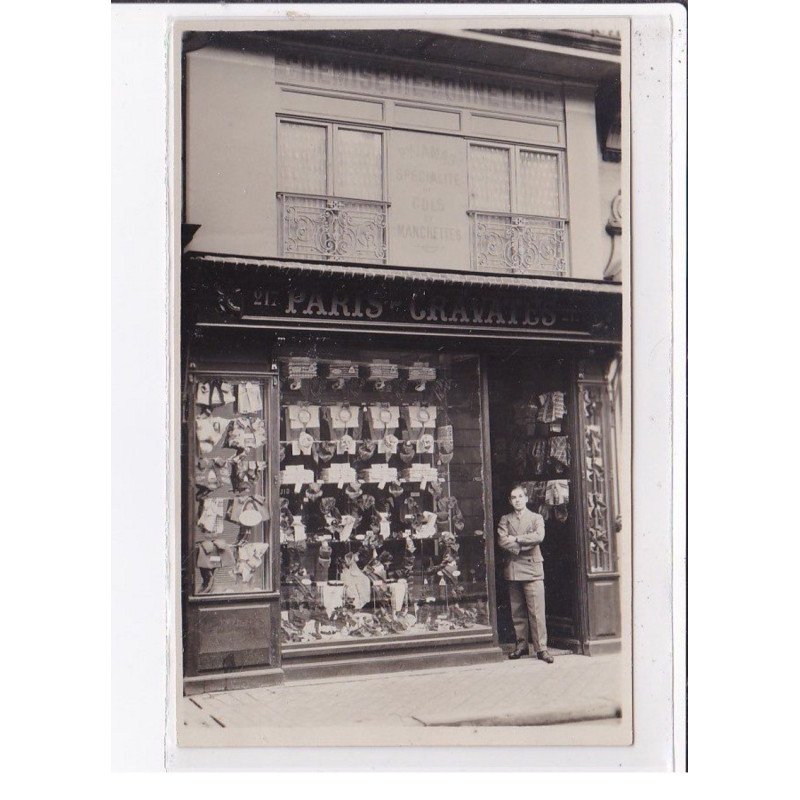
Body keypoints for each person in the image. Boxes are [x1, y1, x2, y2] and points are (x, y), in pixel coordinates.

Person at [497, 484, 554, 663]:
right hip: (514, 568)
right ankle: (521, 645)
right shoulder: (505, 519)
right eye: (514, 497)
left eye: (520, 496)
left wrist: (517, 539)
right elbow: (502, 541)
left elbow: (539, 537)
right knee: (517, 611)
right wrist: (524, 545)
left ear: (526, 498)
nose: (517, 500)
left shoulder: (536, 517)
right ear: (510, 501)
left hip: (533, 569)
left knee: (537, 611)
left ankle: (541, 648)